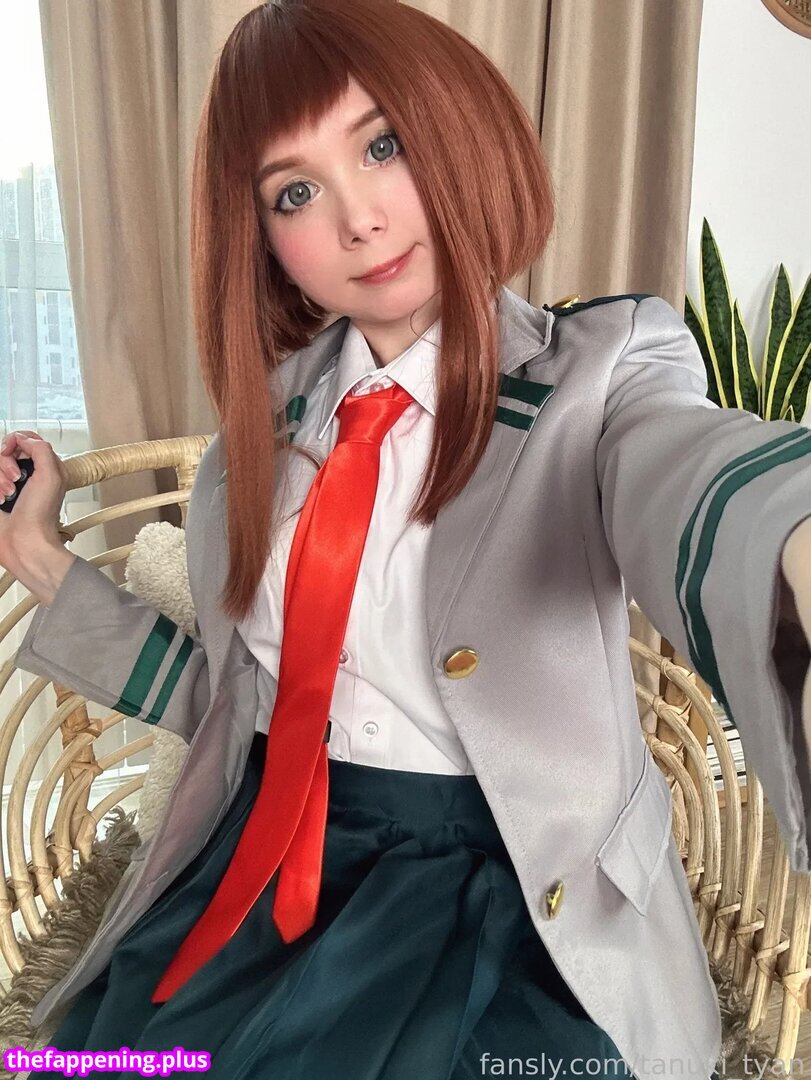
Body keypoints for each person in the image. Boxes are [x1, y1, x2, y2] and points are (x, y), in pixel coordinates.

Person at [1, 1, 810, 1078]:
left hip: (512, 890)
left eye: (382, 145)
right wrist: (39, 557)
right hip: (266, 861)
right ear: (265, 242)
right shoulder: (259, 435)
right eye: (294, 192)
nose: (358, 220)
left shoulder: (603, 371)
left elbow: (694, 476)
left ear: (458, 128)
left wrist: (792, 543)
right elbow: (234, 704)